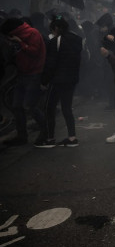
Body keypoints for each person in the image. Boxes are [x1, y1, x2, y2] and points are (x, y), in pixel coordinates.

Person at [0, 17, 47, 147]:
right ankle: (22, 136)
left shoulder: (33, 33)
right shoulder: (16, 37)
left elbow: (34, 51)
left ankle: (46, 132)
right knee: (16, 106)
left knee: (30, 105)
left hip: (33, 74)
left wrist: (20, 42)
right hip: (22, 74)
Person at [38, 16, 82, 148]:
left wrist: (44, 81)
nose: (52, 32)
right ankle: (72, 138)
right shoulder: (77, 40)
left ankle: (49, 138)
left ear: (57, 28)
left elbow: (51, 64)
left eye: (53, 30)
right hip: (71, 79)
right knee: (66, 108)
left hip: (57, 80)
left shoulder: (55, 42)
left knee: (48, 108)